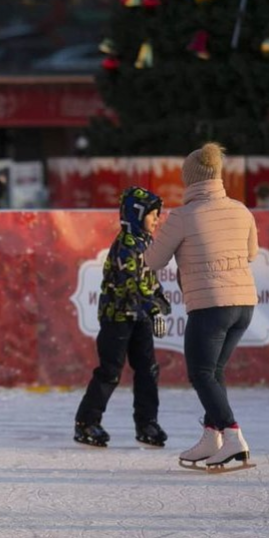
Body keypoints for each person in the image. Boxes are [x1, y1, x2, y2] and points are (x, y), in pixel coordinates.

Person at [144, 143, 259, 472]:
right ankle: (213, 437)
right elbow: (251, 253)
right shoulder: (241, 210)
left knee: (201, 372)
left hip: (210, 305)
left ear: (189, 180)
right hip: (244, 305)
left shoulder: (182, 217)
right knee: (215, 371)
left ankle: (233, 436)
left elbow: (153, 260)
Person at [74, 186, 171, 448]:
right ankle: (87, 422)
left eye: (158, 215)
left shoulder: (146, 242)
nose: (157, 220)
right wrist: (152, 307)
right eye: (152, 215)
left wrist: (159, 299)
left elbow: (149, 279)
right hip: (117, 316)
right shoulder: (126, 245)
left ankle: (147, 422)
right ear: (136, 215)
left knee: (148, 370)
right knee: (110, 372)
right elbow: (131, 284)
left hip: (139, 317)